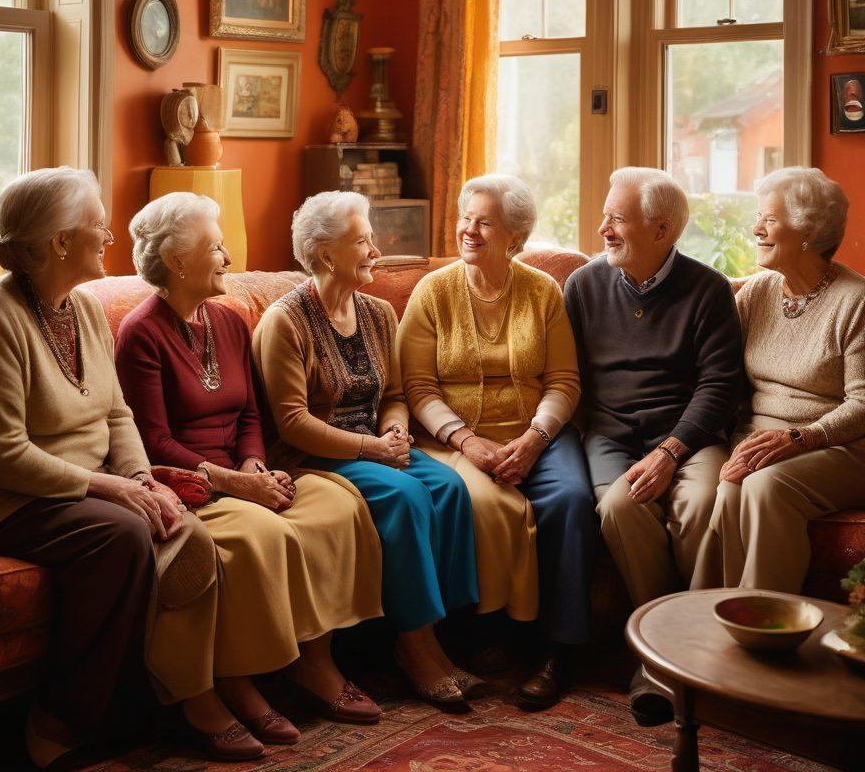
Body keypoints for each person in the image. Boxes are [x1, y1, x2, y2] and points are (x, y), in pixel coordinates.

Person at [0, 168, 227, 767]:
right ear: (61, 242)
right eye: (96, 225)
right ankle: (56, 723)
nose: (109, 235)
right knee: (121, 534)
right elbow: (4, 453)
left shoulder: (83, 307)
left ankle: (131, 706)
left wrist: (140, 480)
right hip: (3, 497)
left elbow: (117, 414)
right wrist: (113, 489)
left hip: (82, 489)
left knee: (157, 518)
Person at [115, 193, 385, 740]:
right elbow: (153, 442)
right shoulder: (140, 333)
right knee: (265, 533)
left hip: (244, 473)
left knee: (337, 505)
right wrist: (235, 482)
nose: (229, 258)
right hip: (194, 486)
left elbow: (250, 415)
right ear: (177, 261)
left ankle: (316, 660)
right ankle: (237, 679)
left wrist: (256, 464)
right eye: (216, 248)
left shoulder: (231, 322)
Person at [253, 191, 481, 713]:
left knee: (449, 486)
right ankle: (415, 648)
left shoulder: (378, 313)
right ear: (325, 253)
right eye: (362, 240)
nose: (374, 249)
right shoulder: (284, 323)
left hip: (377, 445)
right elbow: (291, 424)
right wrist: (372, 448)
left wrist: (395, 433)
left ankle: (440, 636)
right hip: (314, 454)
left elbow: (396, 396)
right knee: (405, 497)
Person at [398, 174, 596, 711]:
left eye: (485, 222)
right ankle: (485, 636)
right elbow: (417, 387)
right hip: (453, 438)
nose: (469, 230)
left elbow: (563, 381)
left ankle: (561, 650)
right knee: (481, 502)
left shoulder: (542, 291)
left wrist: (535, 437)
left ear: (515, 236)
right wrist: (465, 440)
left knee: (575, 500)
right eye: (467, 218)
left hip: (539, 433)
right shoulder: (433, 291)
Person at [564, 166, 741, 725]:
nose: (603, 230)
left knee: (699, 504)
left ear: (662, 230)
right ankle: (664, 654)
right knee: (619, 505)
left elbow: (719, 386)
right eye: (603, 217)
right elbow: (567, 379)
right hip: (611, 434)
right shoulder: (584, 286)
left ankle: (686, 652)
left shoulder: (708, 290)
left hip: (687, 436)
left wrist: (670, 452)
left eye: (617, 219)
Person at [694, 167, 865, 591]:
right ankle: (718, 623)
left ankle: (765, 621)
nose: (756, 229)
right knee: (731, 488)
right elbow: (721, 372)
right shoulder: (757, 292)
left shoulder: (855, 302)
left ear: (807, 230)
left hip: (838, 443)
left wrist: (800, 438)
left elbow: (863, 405)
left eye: (769, 220)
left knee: (764, 487)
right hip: (759, 439)